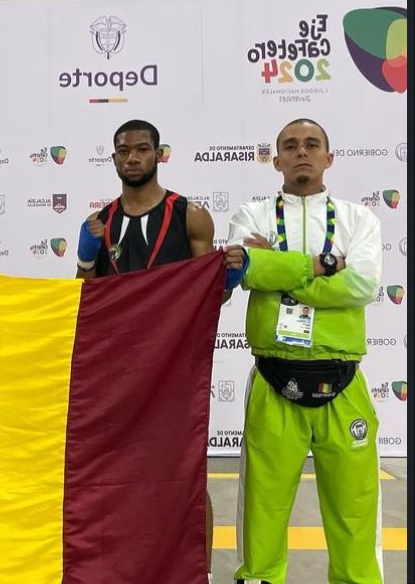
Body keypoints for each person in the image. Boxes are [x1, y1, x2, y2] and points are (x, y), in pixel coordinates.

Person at [75, 119, 247, 582]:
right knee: (117, 478)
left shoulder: (191, 216)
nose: (132, 157)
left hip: (173, 368)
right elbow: (83, 300)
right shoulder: (99, 223)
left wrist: (227, 279)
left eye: (142, 149)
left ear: (159, 153)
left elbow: (209, 295)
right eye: (123, 150)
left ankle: (199, 573)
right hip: (115, 372)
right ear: (113, 157)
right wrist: (85, 258)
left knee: (185, 474)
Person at [228, 119, 383, 584]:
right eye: (291, 145)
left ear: (328, 158)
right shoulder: (252, 214)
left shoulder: (359, 218)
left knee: (355, 505)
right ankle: (261, 577)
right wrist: (325, 265)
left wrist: (279, 267)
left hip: (344, 380)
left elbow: (361, 284)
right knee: (263, 503)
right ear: (275, 160)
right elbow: (246, 270)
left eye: (312, 144)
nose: (302, 151)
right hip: (274, 376)